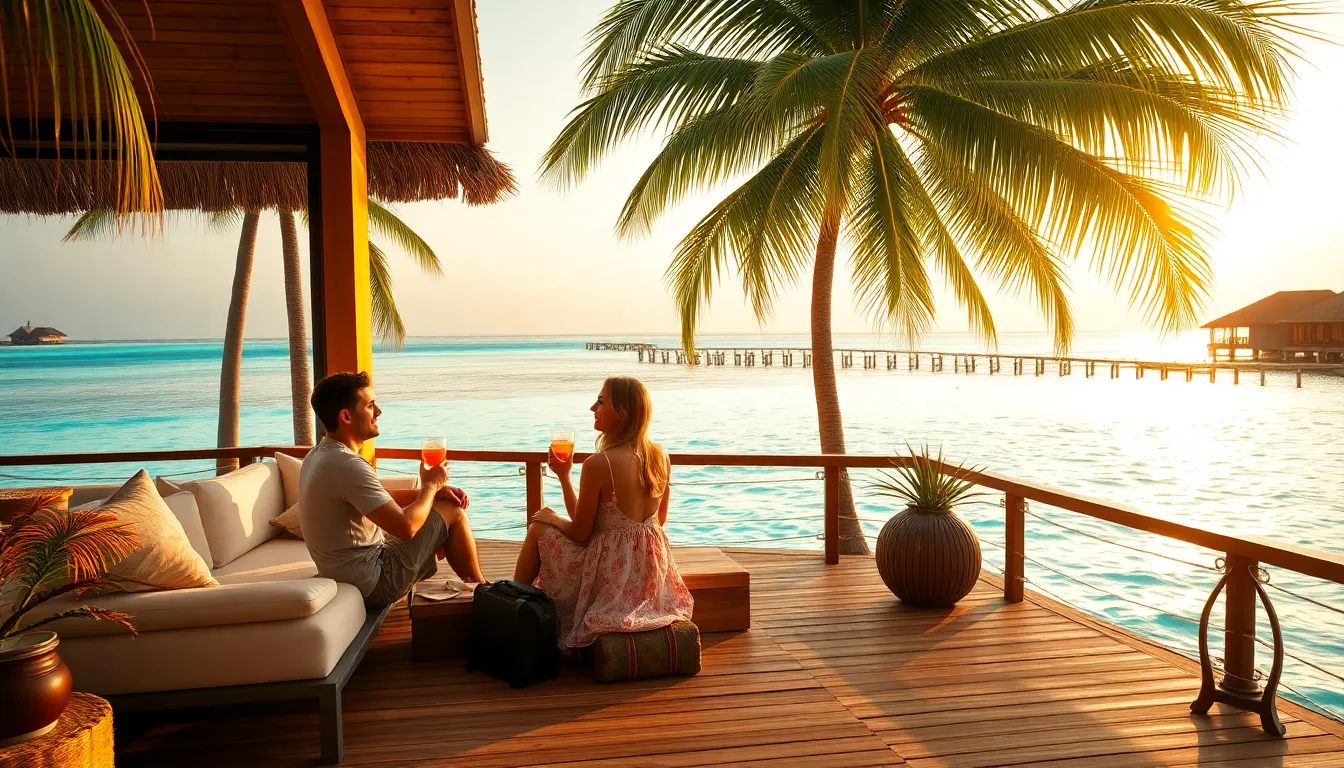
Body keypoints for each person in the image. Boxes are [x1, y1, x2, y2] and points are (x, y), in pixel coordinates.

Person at [514, 376, 693, 649]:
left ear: (621, 412)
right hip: (647, 573)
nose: (592, 409)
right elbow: (659, 520)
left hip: (610, 574)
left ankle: (513, 608)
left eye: (600, 402)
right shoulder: (660, 456)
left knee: (538, 528)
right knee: (548, 522)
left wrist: (553, 519)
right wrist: (564, 476)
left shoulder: (599, 463)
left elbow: (581, 533)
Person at [300, 371, 485, 608]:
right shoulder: (348, 465)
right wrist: (430, 486)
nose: (378, 412)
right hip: (374, 583)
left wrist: (433, 493)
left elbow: (376, 497)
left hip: (347, 574)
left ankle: (476, 592)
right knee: (452, 511)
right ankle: (484, 593)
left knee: (439, 513)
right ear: (346, 416)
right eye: (370, 405)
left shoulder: (317, 456)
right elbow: (406, 528)